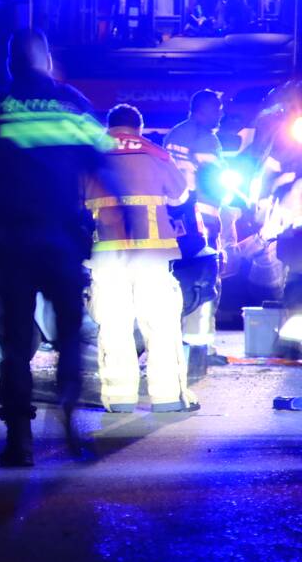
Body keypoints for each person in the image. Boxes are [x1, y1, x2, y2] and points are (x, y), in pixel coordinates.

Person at [0, 29, 112, 467]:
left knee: (16, 342)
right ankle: (71, 422)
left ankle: (19, 439)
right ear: (47, 59)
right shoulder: (72, 102)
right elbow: (103, 157)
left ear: (10, 62)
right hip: (60, 239)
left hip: (14, 239)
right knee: (69, 336)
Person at [85, 104, 200, 413]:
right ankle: (167, 398)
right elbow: (180, 196)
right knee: (160, 323)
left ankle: (120, 398)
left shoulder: (90, 156)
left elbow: (74, 201)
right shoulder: (156, 154)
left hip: (106, 252)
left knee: (113, 323)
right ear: (139, 127)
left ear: (109, 126)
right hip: (152, 252)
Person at [164, 89, 227, 362]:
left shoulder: (175, 134)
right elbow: (213, 179)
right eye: (218, 109)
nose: (221, 114)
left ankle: (174, 344)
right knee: (207, 279)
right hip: (203, 218)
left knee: (178, 278)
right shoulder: (206, 138)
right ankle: (201, 349)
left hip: (175, 219)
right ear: (204, 109)